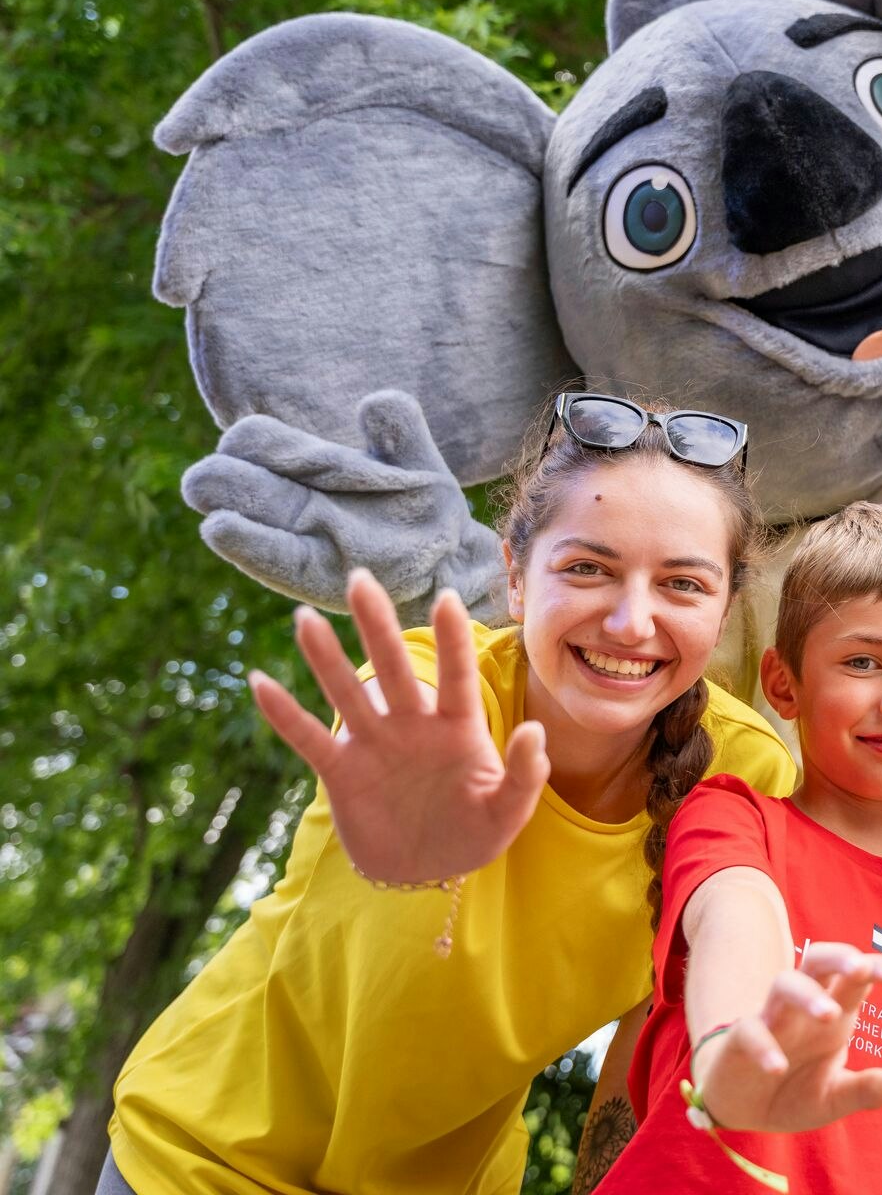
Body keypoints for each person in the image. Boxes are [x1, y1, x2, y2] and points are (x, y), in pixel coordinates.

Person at [101, 395, 798, 1195]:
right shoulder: (436, 680)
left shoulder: (744, 772)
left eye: (681, 584)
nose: (631, 622)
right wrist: (410, 811)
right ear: (515, 577)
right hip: (206, 1159)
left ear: (726, 607)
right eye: (588, 569)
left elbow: (657, 1033)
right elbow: (393, 720)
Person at [594, 502, 882, 1195]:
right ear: (784, 683)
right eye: (863, 661)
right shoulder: (735, 818)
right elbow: (735, 911)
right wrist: (732, 1043)